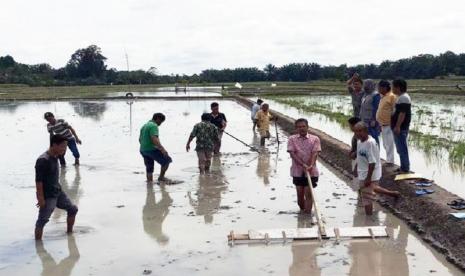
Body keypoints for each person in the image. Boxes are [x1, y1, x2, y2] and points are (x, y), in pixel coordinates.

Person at [35, 134, 78, 240]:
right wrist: (40, 198)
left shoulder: (56, 156)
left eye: (65, 146)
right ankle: (38, 244)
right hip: (48, 195)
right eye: (62, 146)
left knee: (73, 209)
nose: (64, 149)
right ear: (54, 145)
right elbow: (38, 181)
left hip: (58, 192)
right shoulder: (43, 160)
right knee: (42, 221)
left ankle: (69, 234)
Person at [353, 122, 399, 215]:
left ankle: (368, 219)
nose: (358, 133)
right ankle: (392, 193)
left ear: (366, 131)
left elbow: (372, 162)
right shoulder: (359, 142)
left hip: (371, 172)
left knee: (366, 196)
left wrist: (368, 178)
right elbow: (359, 157)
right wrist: (356, 167)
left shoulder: (370, 143)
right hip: (363, 171)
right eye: (356, 132)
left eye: (360, 131)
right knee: (371, 188)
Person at [287, 118, 321, 214]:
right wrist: (303, 164)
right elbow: (292, 154)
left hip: (311, 171)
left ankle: (307, 215)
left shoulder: (315, 139)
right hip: (297, 172)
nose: (301, 128)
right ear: (296, 129)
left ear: (307, 127)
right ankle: (303, 210)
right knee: (300, 197)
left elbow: (315, 153)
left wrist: (310, 165)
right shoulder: (292, 139)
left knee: (309, 195)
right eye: (299, 127)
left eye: (303, 126)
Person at [139, 113, 172, 183]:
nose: (160, 124)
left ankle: (149, 183)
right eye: (161, 121)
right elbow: (154, 138)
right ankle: (161, 177)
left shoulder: (144, 126)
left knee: (149, 167)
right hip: (151, 149)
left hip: (143, 150)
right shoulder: (153, 126)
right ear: (157, 119)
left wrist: (145, 146)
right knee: (167, 160)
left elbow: (140, 139)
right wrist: (162, 149)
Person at [391, 79, 412, 173]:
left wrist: (398, 126)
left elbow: (402, 113)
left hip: (401, 128)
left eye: (393, 87)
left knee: (402, 148)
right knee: (400, 148)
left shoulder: (404, 98)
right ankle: (403, 166)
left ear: (398, 87)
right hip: (399, 127)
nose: (392, 89)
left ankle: (405, 168)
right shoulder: (401, 97)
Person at [376, 80, 397, 165]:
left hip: (389, 124)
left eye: (379, 87)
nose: (378, 89)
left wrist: (393, 122)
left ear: (384, 88)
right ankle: (389, 160)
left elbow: (395, 110)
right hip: (383, 124)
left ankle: (390, 161)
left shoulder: (392, 97)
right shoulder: (383, 96)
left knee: (389, 143)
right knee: (385, 143)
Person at [359, 79, 381, 145]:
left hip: (371, 121)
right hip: (364, 120)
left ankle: (376, 153)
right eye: (365, 84)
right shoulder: (365, 94)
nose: (365, 86)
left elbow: (377, 109)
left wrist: (374, 119)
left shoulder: (376, 95)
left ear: (372, 85)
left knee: (373, 138)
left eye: (367, 85)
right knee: (366, 137)